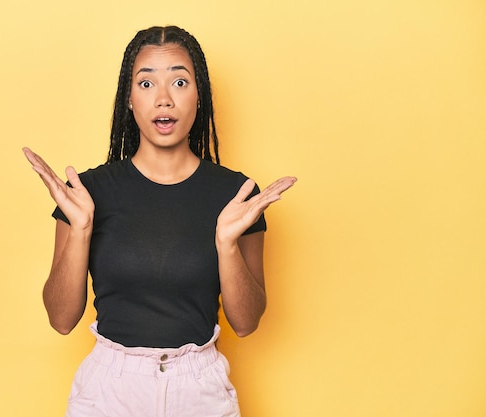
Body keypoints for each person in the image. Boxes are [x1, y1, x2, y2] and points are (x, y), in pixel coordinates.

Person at [23, 25, 296, 417]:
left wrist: (227, 244)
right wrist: (81, 230)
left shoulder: (236, 197)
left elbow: (247, 322)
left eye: (180, 82)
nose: (164, 99)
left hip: (199, 391)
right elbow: (61, 319)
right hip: (109, 391)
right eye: (146, 83)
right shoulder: (86, 192)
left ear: (199, 97)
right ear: (129, 100)